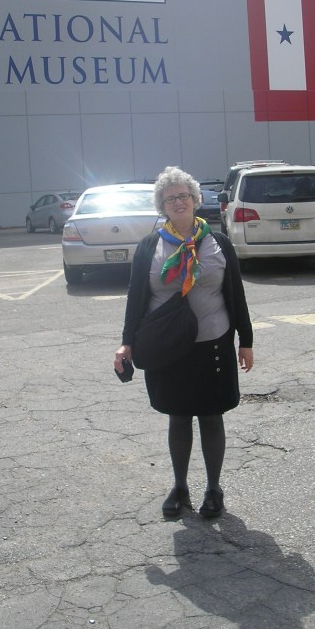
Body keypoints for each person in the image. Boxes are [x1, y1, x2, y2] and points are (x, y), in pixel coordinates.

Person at [114, 166, 254, 519]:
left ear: (195, 199)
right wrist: (126, 342)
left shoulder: (218, 244)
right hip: (168, 347)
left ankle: (213, 488)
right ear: (162, 205)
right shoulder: (150, 246)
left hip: (213, 342)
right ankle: (179, 487)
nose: (177, 201)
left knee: (210, 416)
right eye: (169, 197)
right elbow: (136, 297)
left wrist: (245, 340)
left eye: (183, 195)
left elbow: (235, 293)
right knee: (178, 417)